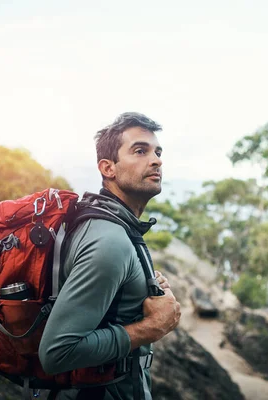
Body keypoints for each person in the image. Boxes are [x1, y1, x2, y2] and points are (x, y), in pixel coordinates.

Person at [39, 112, 181, 400]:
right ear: (108, 168)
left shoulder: (116, 227)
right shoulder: (109, 240)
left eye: (157, 152)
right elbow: (56, 352)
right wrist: (151, 327)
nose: (156, 160)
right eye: (140, 151)